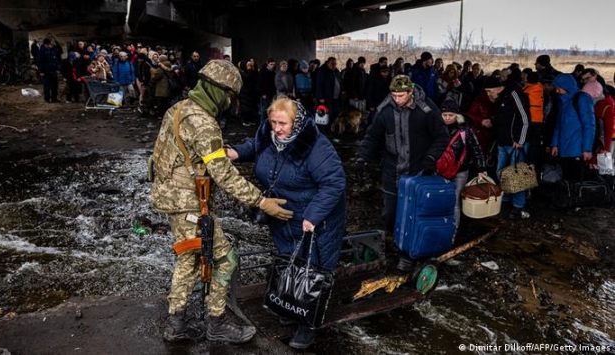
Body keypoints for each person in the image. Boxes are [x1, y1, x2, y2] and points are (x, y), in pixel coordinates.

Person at [149, 59, 293, 344]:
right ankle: (216, 322)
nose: (229, 102)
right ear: (218, 90)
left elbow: (160, 157)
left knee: (188, 259)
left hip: (173, 200)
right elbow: (223, 174)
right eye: (229, 95)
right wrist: (261, 201)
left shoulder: (178, 109)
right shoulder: (203, 122)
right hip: (190, 204)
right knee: (227, 260)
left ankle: (176, 323)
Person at [226, 97, 346, 350]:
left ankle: (309, 324)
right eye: (273, 122)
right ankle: (291, 307)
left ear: (297, 122)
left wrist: (312, 216)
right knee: (290, 261)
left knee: (313, 269)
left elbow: (334, 183)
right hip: (283, 216)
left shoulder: (315, 146)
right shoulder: (269, 135)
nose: (277, 128)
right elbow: (256, 146)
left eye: (283, 123)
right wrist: (236, 152)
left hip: (316, 220)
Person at [356, 75, 449, 272]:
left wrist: (431, 157)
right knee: (390, 214)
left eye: (401, 95)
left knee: (413, 215)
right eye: (394, 95)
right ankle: (397, 241)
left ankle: (408, 255)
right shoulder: (385, 111)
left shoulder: (426, 110)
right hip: (392, 171)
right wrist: (362, 157)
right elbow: (372, 136)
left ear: (410, 92)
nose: (397, 99)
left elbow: (442, 136)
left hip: (418, 172)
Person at [483, 75, 532, 220]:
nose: (488, 94)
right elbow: (503, 118)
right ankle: (505, 199)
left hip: (515, 143)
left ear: (497, 88)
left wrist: (521, 140)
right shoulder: (499, 100)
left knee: (517, 175)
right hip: (502, 142)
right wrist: (492, 121)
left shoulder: (514, 94)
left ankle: (518, 206)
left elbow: (525, 118)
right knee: (501, 173)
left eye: (489, 91)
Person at [439, 100, 487, 228]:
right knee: (439, 198)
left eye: (451, 115)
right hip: (440, 169)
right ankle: (439, 227)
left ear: (457, 115)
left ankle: (452, 230)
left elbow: (476, 148)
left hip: (460, 170)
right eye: (445, 115)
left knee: (454, 201)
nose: (448, 118)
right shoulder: (436, 127)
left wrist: (481, 169)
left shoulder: (465, 129)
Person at [36, 38, 61, 103]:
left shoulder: (53, 50)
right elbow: (39, 62)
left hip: (53, 70)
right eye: (50, 44)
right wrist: (41, 71)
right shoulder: (41, 51)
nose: (51, 45)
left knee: (55, 86)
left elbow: (57, 60)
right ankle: (47, 99)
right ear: (46, 44)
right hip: (45, 71)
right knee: (46, 86)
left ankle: (54, 98)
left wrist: (58, 68)